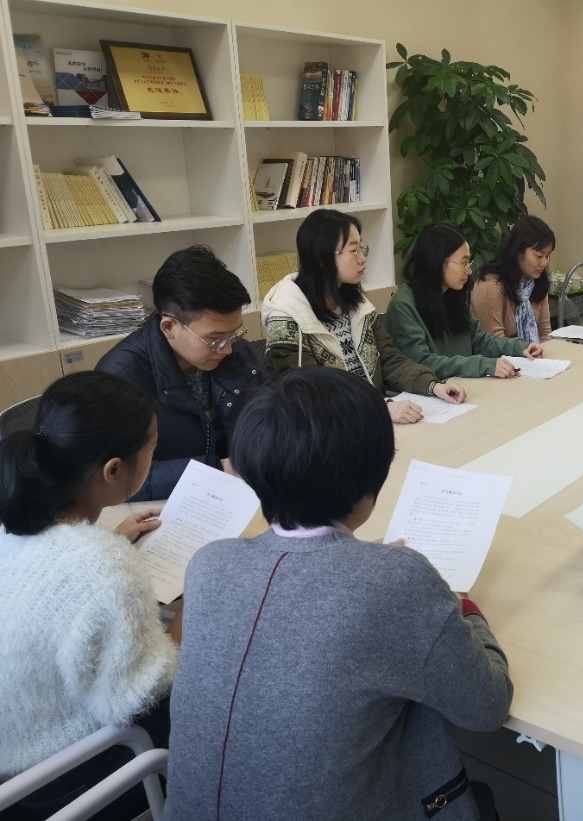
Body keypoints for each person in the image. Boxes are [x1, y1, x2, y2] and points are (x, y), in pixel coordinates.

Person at [165, 367, 513, 821]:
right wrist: (462, 604)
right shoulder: (397, 581)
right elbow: (488, 706)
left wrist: (368, 568)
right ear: (374, 475)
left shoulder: (210, 563)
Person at [0, 372, 178, 820]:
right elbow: (143, 696)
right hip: (69, 783)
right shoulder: (102, 566)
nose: (154, 459)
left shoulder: (12, 526)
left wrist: (108, 542)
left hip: (15, 763)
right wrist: (193, 611)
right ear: (113, 470)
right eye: (153, 450)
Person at [262, 209, 466, 424]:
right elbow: (309, 396)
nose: (363, 258)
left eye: (362, 248)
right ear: (322, 257)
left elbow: (390, 359)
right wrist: (381, 408)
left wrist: (433, 386)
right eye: (354, 250)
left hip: (372, 421)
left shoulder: (356, 306)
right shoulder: (287, 319)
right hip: (330, 431)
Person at [97, 245, 265, 500]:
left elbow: (268, 418)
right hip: (169, 505)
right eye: (215, 339)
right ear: (169, 327)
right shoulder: (120, 378)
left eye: (235, 333)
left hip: (237, 492)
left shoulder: (234, 351)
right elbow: (120, 478)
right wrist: (220, 469)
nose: (228, 348)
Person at [386, 223, 543, 379]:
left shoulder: (452, 294)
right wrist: (482, 365)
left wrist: (520, 347)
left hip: (464, 385)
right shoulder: (403, 304)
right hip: (430, 390)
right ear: (438, 261)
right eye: (463, 263)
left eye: (469, 263)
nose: (469, 271)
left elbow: (480, 341)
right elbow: (422, 363)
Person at [471, 215, 554, 342]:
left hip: (532, 354)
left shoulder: (537, 282)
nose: (544, 263)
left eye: (547, 256)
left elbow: (544, 334)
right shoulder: (491, 287)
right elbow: (495, 345)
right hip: (500, 354)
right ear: (517, 252)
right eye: (539, 256)